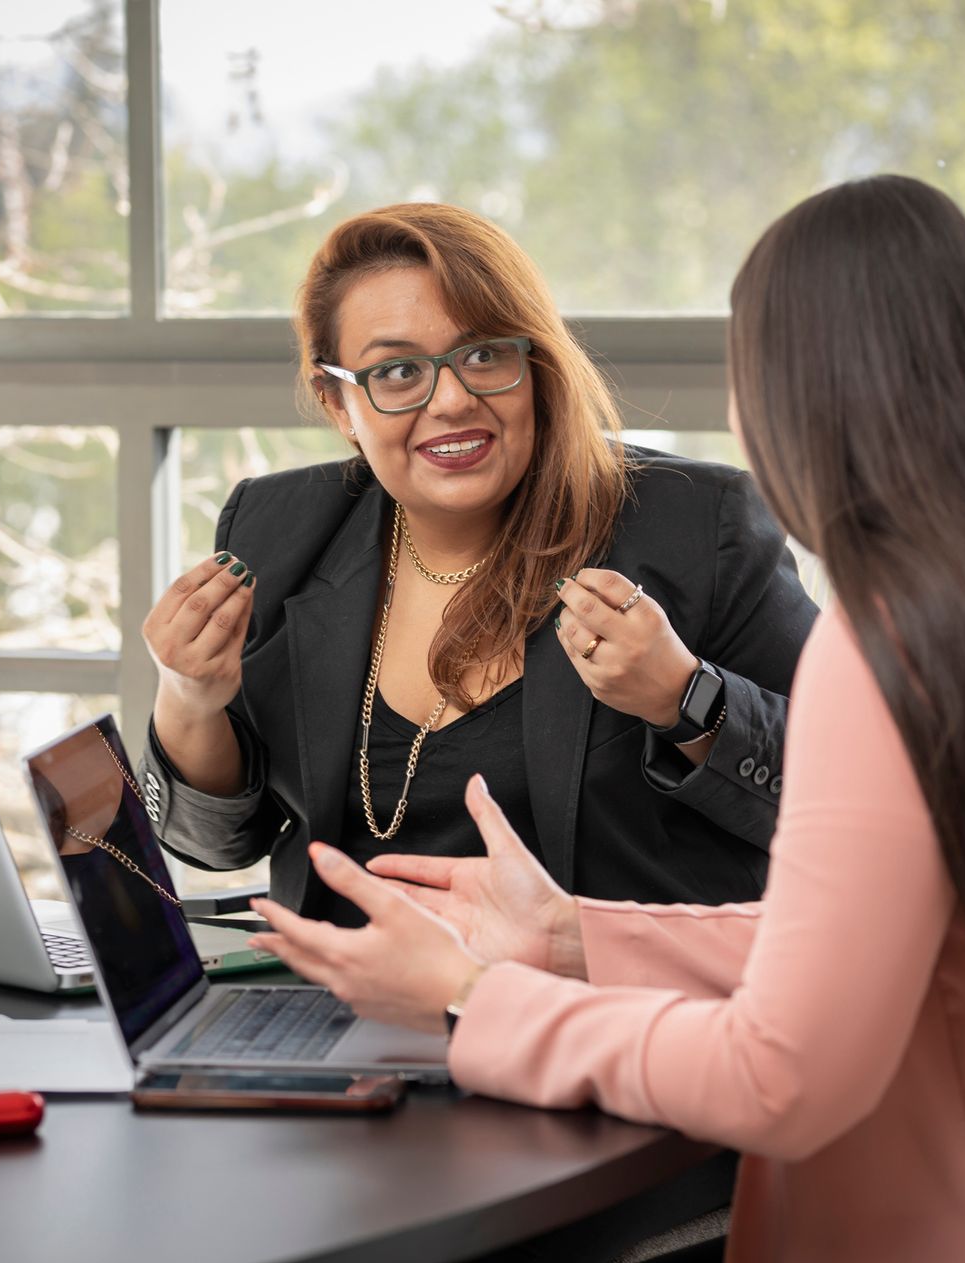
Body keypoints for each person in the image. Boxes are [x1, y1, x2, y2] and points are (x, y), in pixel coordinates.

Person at [243, 176, 965, 1263]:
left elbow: (783, 1074)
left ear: (795, 399)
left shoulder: (900, 645)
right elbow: (899, 933)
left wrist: (474, 999)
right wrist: (575, 936)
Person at [136, 203, 818, 922]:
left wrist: (686, 700)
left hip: (593, 1010)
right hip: (338, 1007)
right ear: (338, 402)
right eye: (398, 371)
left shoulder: (698, 524)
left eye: (485, 354)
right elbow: (217, 846)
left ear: (534, 362)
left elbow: (851, 804)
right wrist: (188, 699)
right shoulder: (277, 529)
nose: (454, 399)